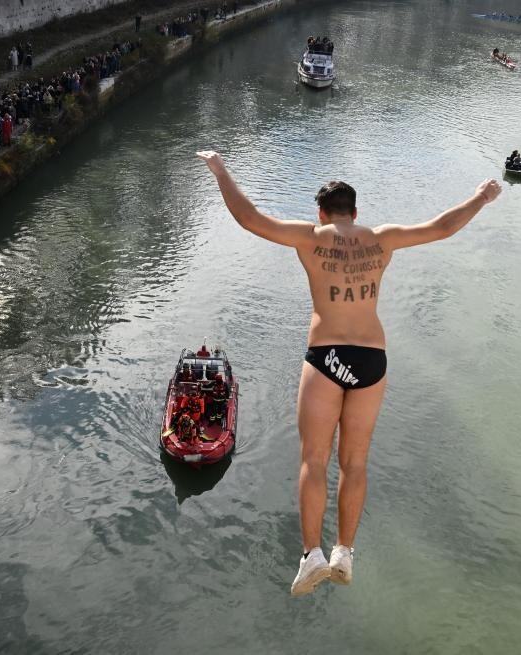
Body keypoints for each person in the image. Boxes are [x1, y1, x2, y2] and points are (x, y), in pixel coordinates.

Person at [196, 150, 502, 597]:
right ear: (355, 212)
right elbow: (442, 227)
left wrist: (220, 170)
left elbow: (249, 219)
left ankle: (312, 555)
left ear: (321, 213)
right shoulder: (382, 238)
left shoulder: (309, 237)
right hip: (372, 360)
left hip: (327, 356)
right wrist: (481, 197)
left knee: (314, 460)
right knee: (355, 461)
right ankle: (344, 551)